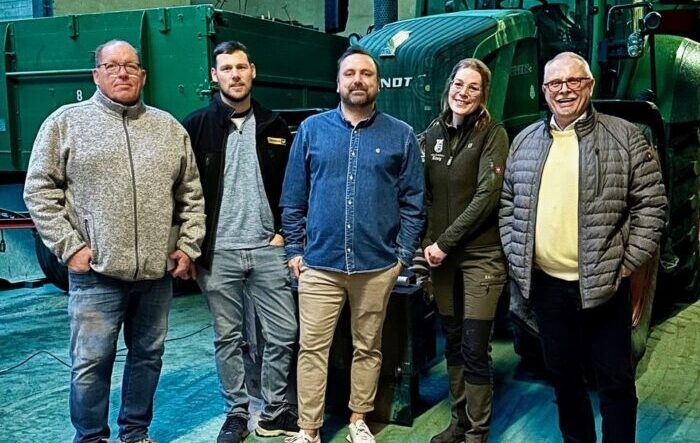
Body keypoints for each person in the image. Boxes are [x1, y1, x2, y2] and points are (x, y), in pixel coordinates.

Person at [23, 40, 206, 443]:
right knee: (91, 363)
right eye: (111, 65)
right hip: (97, 274)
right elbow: (38, 190)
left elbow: (191, 193)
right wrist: (71, 247)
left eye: (130, 66)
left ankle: (135, 433)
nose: (121, 72)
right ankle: (90, 437)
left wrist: (187, 245)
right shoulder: (65, 123)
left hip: (156, 275)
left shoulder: (168, 128)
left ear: (142, 75)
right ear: (96, 74)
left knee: (147, 357)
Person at [499, 52, 667, 442]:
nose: (564, 90)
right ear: (544, 91)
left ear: (589, 86)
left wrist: (627, 263)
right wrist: (517, 251)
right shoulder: (524, 141)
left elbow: (652, 203)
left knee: (615, 381)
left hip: (605, 285)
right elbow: (508, 203)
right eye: (555, 84)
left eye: (573, 81)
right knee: (565, 380)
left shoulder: (624, 136)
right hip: (547, 286)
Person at [280, 47, 425, 443]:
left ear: (377, 83)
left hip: (377, 266)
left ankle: (358, 418)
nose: (357, 80)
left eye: (366, 74)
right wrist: (294, 250)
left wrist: (401, 257)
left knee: (368, 348)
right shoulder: (312, 131)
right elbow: (293, 197)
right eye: (350, 73)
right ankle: (308, 429)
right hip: (320, 266)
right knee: (312, 349)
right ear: (338, 81)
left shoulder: (401, 134)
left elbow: (414, 200)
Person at [182, 41, 298, 443]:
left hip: (269, 247)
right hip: (219, 252)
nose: (234, 74)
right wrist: (188, 246)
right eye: (226, 68)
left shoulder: (275, 126)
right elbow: (181, 190)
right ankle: (236, 412)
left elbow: (292, 187)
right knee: (230, 337)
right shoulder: (196, 126)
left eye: (241, 67)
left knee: (283, 333)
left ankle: (275, 408)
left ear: (253, 71)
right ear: (215, 76)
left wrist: (284, 233)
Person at [422, 58, 508, 443]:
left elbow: (487, 198)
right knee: (453, 339)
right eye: (458, 84)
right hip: (441, 258)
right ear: (448, 86)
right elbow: (420, 192)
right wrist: (425, 242)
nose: (463, 92)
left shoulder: (494, 134)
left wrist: (443, 242)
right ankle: (458, 423)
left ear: (483, 94)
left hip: (479, 257)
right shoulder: (433, 132)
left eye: (472, 87)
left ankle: (477, 432)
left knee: (474, 345)